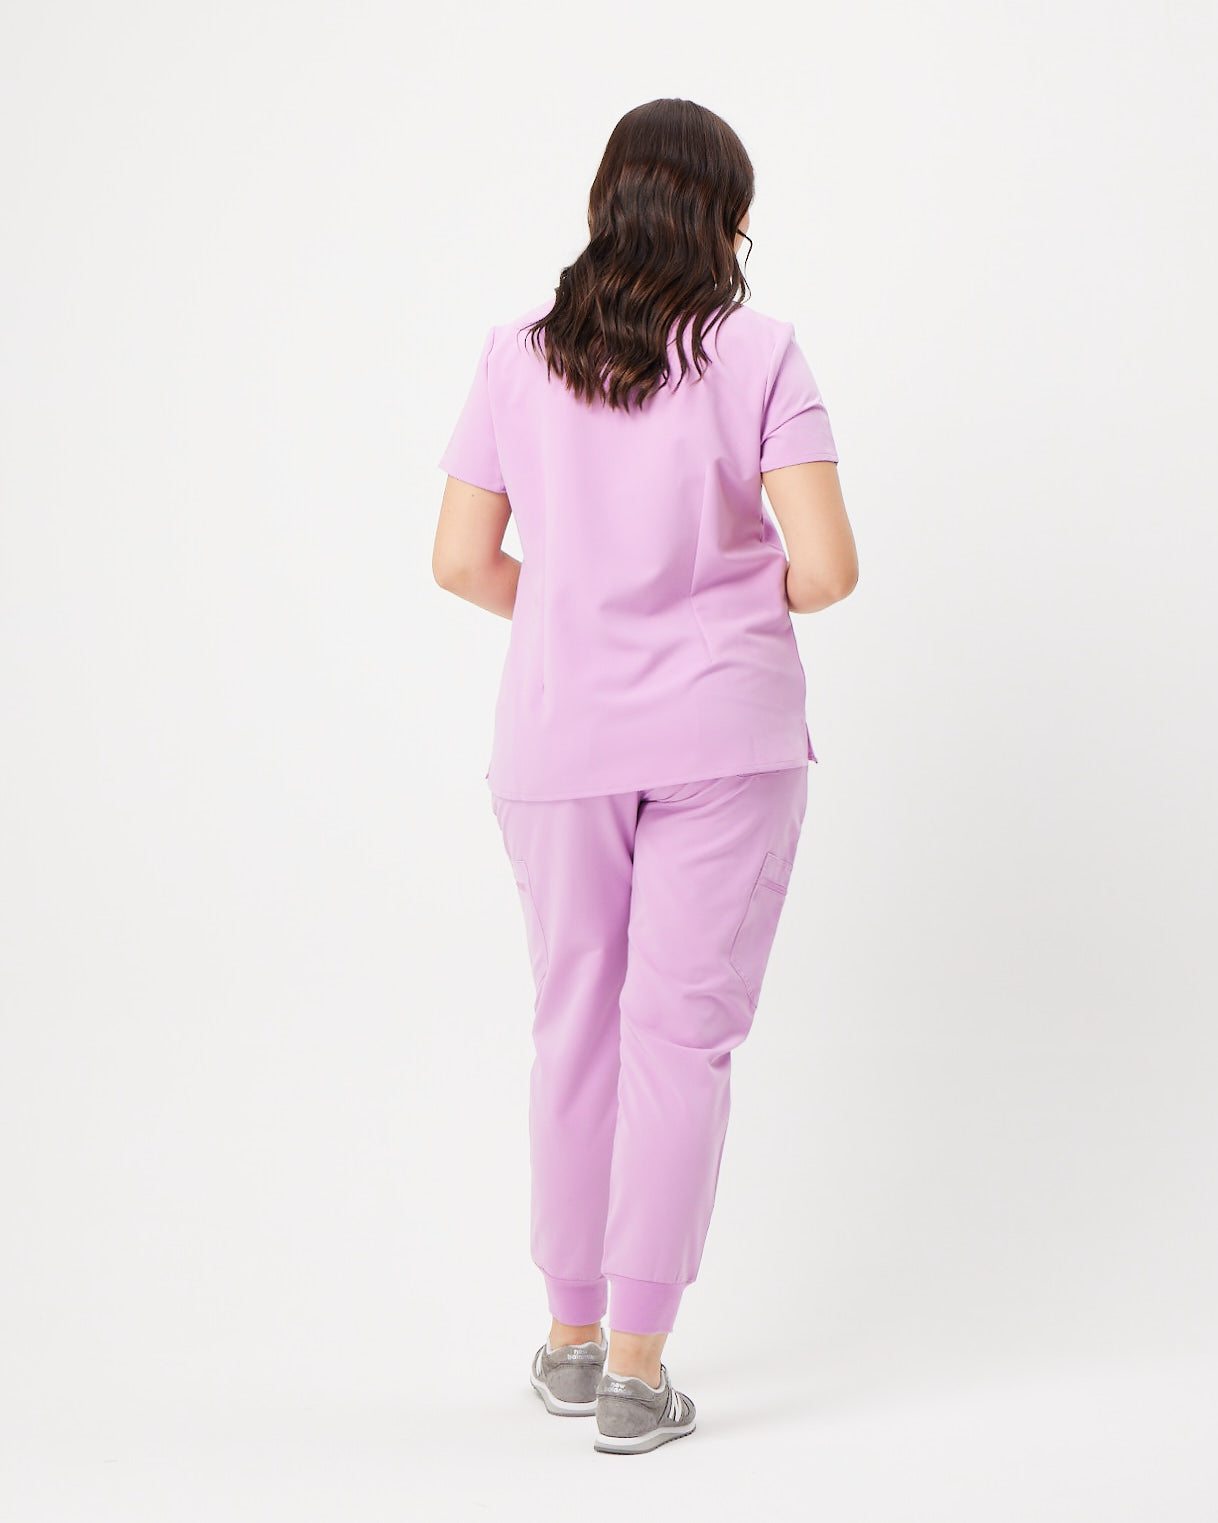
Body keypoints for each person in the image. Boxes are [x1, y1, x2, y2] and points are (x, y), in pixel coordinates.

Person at [432, 97, 858, 1455]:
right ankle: (636, 1370)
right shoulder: (760, 352)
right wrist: (713, 608)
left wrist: (579, 615)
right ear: (731, 219)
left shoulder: (515, 354)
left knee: (575, 1026)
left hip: (558, 739)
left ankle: (568, 1341)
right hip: (722, 739)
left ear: (602, 207)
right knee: (678, 1041)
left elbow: (458, 561)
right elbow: (827, 570)